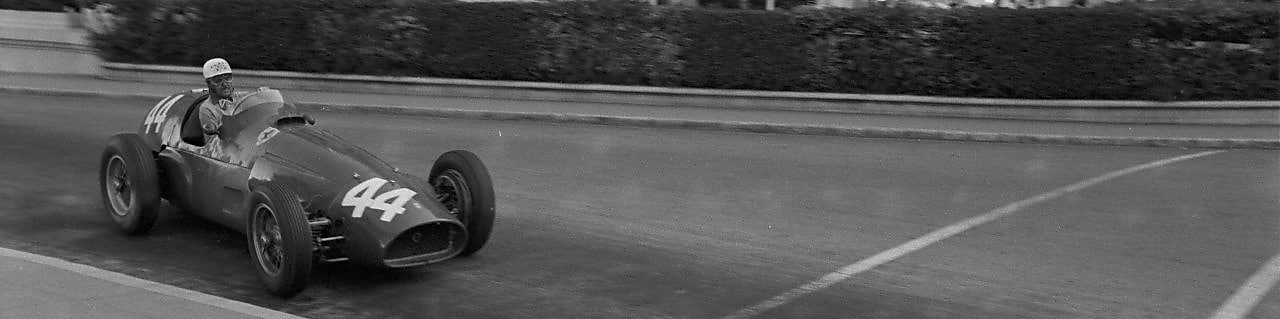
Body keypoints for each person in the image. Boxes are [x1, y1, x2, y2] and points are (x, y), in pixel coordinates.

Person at [198, 58, 237, 136]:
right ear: (208, 83)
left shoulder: (242, 98)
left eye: (227, 78)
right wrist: (212, 128)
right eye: (218, 80)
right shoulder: (207, 109)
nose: (225, 84)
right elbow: (213, 137)